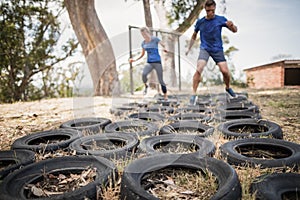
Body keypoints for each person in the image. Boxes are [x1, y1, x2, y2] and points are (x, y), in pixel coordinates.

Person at [186, 0, 238, 105]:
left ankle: (228, 88)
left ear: (214, 8)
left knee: (225, 71)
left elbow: (235, 30)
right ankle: (193, 94)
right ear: (205, 9)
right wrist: (189, 48)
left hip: (217, 49)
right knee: (199, 68)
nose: (210, 13)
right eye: (208, 10)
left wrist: (232, 25)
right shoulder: (200, 22)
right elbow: (194, 35)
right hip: (205, 48)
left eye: (212, 10)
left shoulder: (221, 19)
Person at [129, 27, 168, 100]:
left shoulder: (155, 39)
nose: (144, 35)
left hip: (157, 62)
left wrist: (164, 48)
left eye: (145, 34)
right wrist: (134, 60)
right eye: (142, 34)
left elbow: (163, 44)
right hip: (149, 62)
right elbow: (142, 54)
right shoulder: (143, 43)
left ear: (148, 32)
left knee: (160, 80)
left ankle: (165, 95)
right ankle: (146, 86)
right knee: (144, 74)